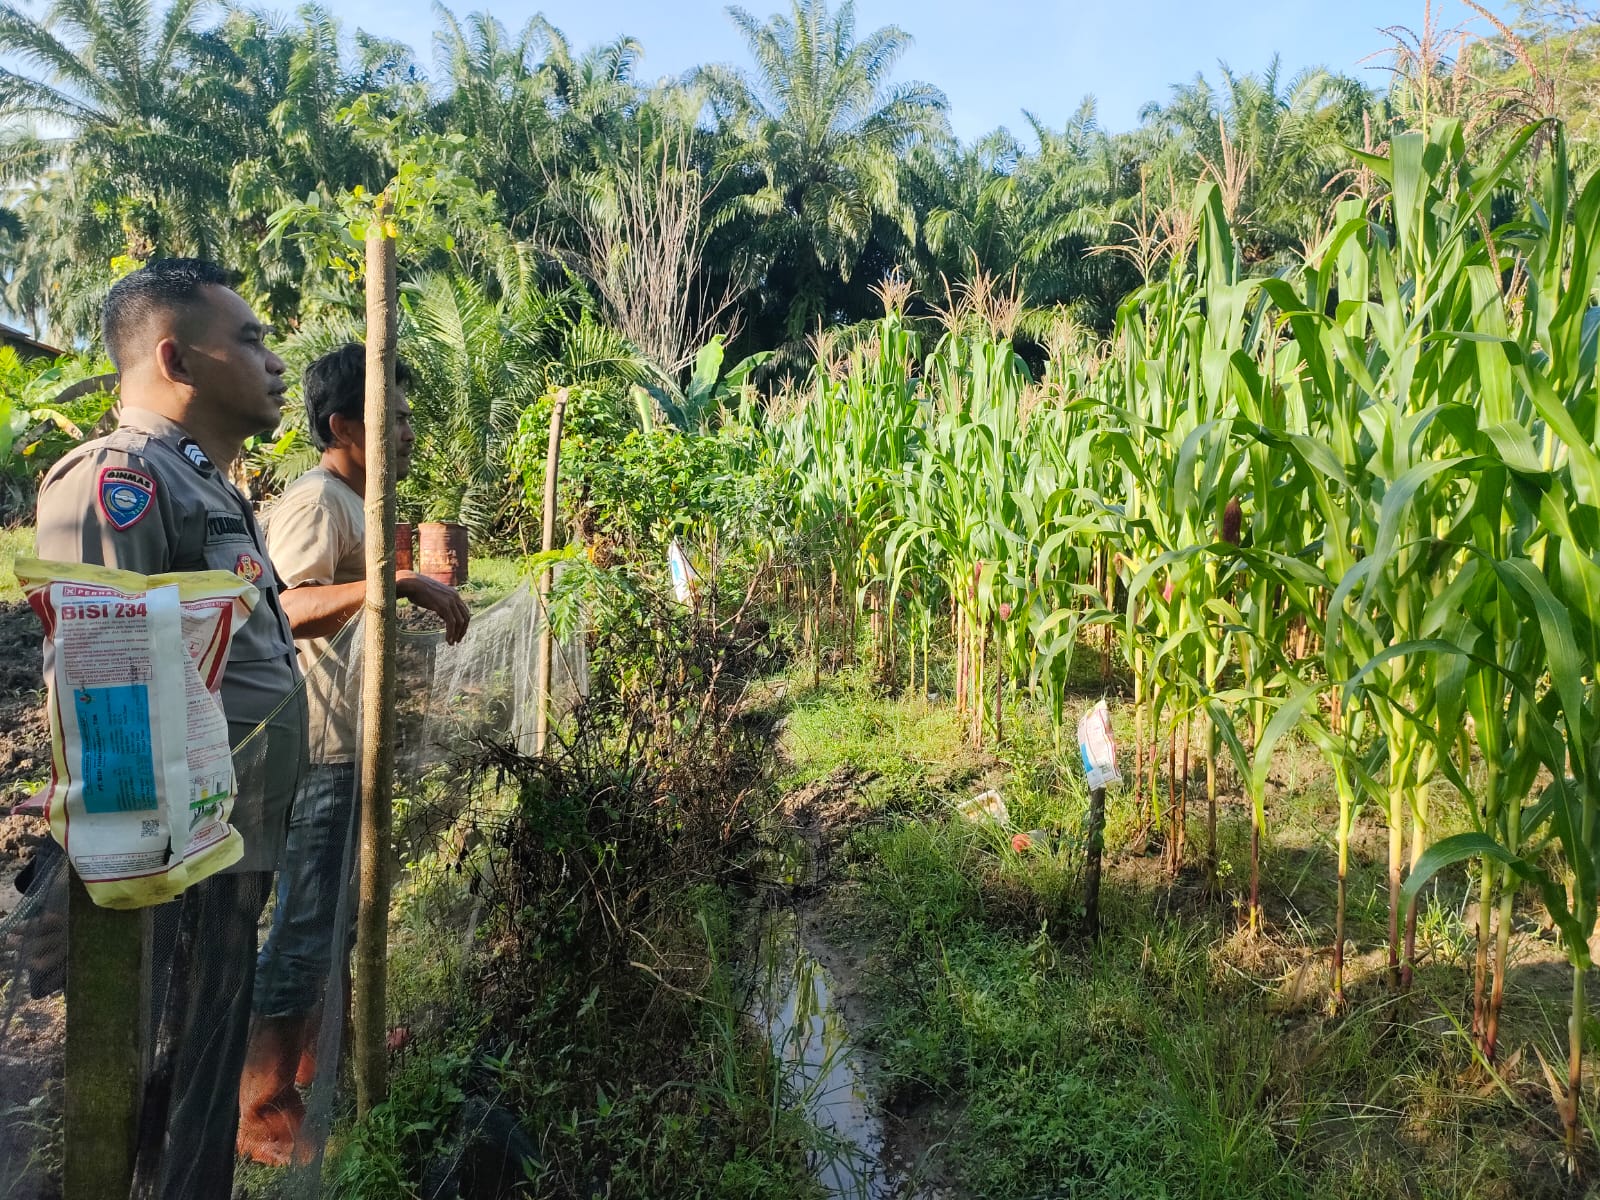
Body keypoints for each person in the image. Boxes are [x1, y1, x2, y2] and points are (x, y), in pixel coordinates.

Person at [34, 258, 307, 1199]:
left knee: (202, 1068)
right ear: (175, 359)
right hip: (168, 865)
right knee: (160, 1077)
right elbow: (103, 697)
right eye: (250, 339)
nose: (274, 362)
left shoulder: (202, 483)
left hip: (223, 848)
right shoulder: (119, 482)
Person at [237, 341, 469, 1165]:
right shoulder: (316, 501)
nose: (407, 432)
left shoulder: (357, 503)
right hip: (317, 749)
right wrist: (394, 583)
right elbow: (285, 607)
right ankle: (260, 1108)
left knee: (335, 916)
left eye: (407, 418)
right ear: (344, 425)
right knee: (303, 925)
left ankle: (315, 1054)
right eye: (393, 419)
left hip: (348, 740)